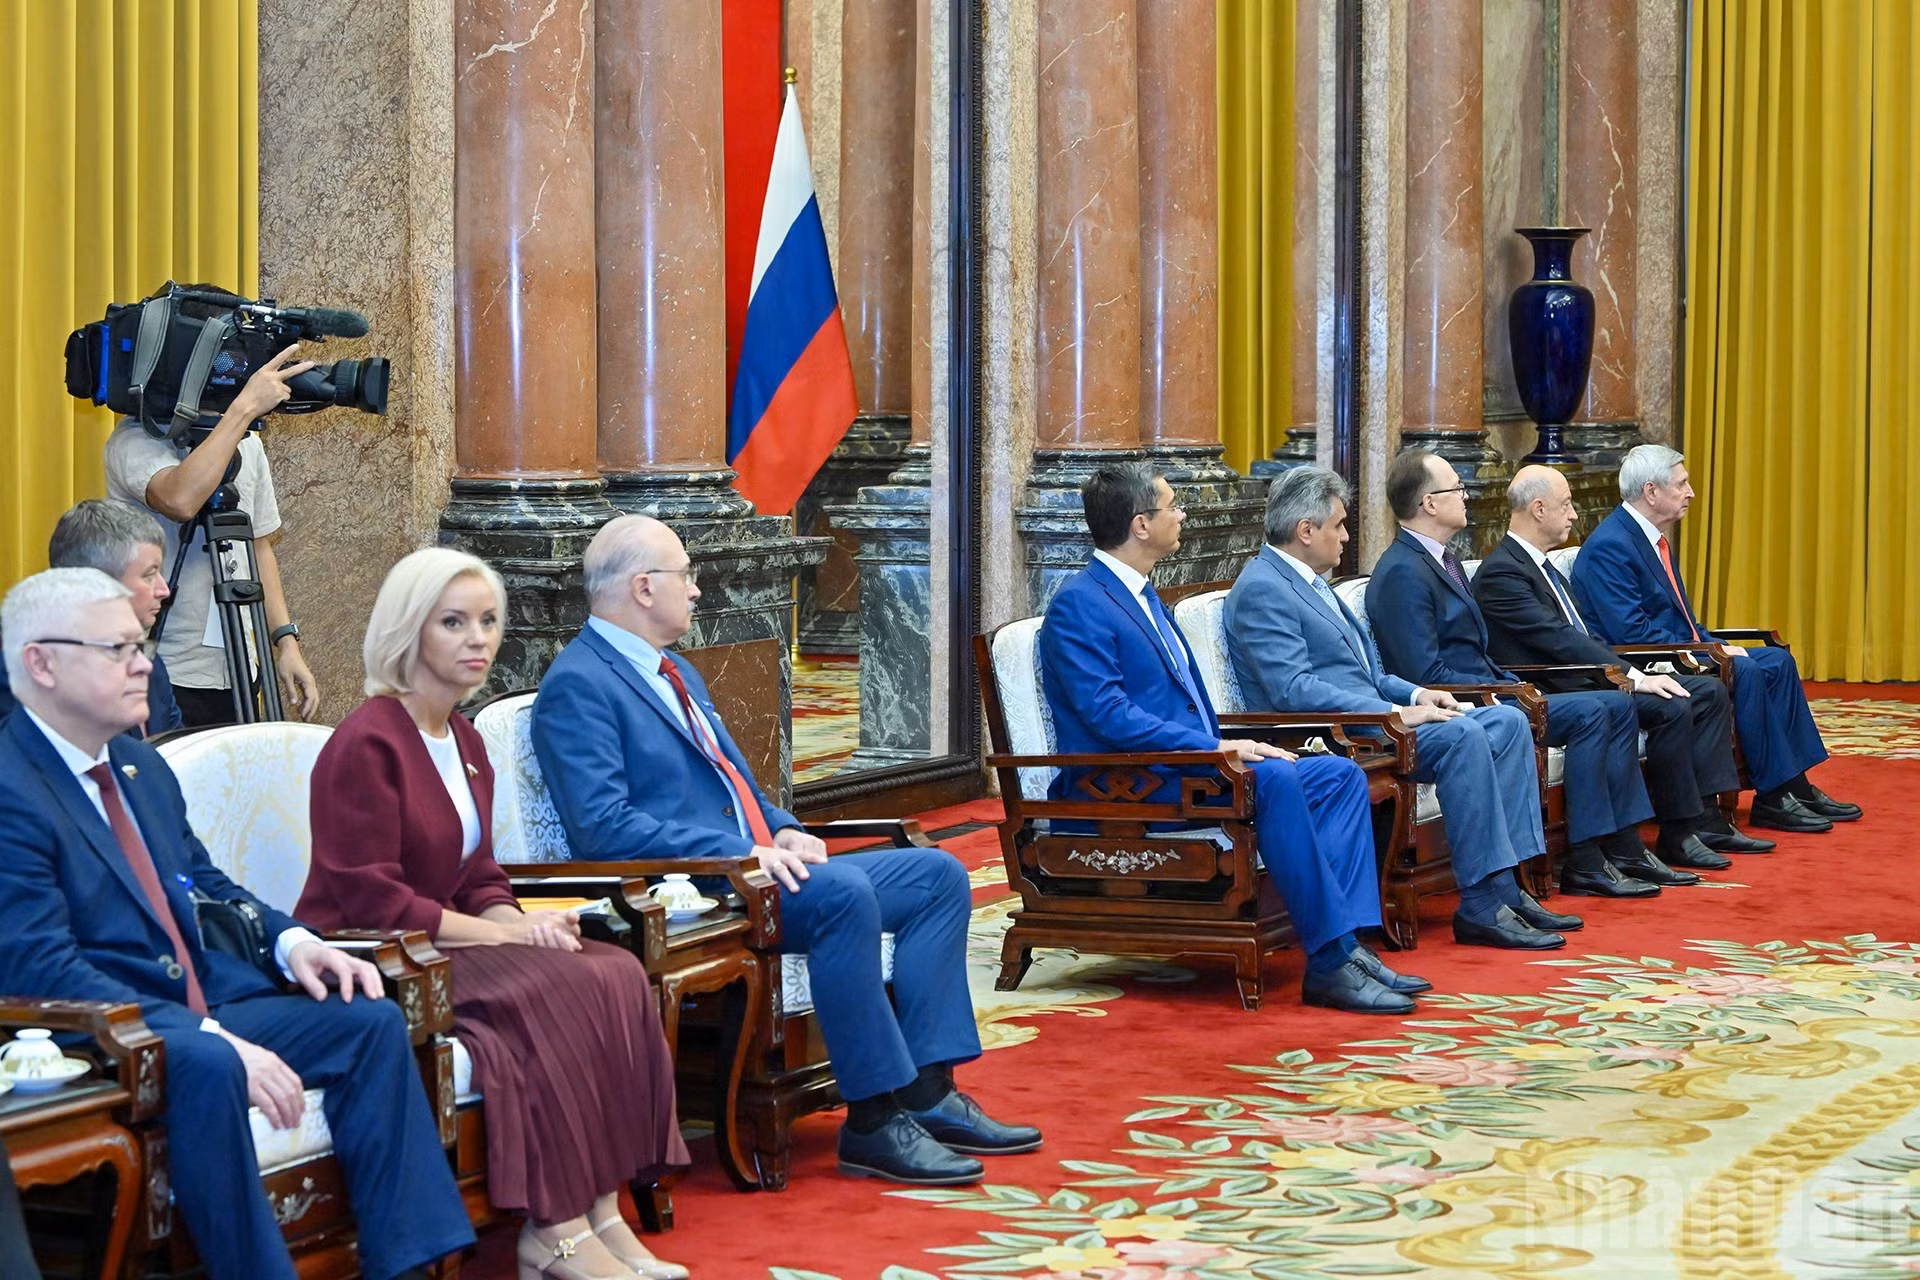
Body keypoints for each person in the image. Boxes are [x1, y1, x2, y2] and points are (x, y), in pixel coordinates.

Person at [532, 515, 1040, 1189]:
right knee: (842, 895)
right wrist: (740, 850)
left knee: (937, 876)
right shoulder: (579, 685)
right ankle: (872, 1121)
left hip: (757, 863)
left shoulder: (674, 669)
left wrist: (784, 827)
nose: (700, 590)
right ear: (645, 587)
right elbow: (604, 829)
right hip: (697, 887)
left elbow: (731, 781)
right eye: (688, 575)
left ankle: (928, 1091)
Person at [0, 568, 471, 1280]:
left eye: (143, 643)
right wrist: (206, 1032)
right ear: (41, 662)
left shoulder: (135, 765)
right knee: (212, 1063)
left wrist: (292, 941)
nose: (143, 664)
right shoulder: (11, 787)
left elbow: (203, 883)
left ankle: (407, 1263)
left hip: (202, 1001)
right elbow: (41, 965)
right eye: (118, 648)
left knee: (366, 1016)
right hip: (98, 1029)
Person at [296, 548, 690, 1280]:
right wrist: (507, 934)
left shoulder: (466, 738)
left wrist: (516, 919)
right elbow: (374, 898)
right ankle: (554, 1229)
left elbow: (476, 872)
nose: (478, 639)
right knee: (553, 984)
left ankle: (603, 1213)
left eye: (486, 622)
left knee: (609, 972)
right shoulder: (368, 741)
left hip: (447, 940)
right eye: (453, 623)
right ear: (408, 632)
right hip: (372, 954)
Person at [1040, 462, 1430, 1014]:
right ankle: (1329, 961)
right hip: (1127, 783)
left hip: (1185, 767)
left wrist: (1225, 744)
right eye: (1172, 506)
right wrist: (1215, 749)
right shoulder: (1080, 602)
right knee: (1272, 778)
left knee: (1339, 776)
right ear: (1140, 524)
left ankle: (1348, 946)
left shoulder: (1145, 594)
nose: (1182, 514)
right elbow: (1109, 716)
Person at [1223, 467, 1582, 941]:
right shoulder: (1263, 588)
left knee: (1507, 722)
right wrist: (1393, 713)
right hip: (1338, 733)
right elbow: (1294, 689)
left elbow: (1370, 674)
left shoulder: (1310, 581)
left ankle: (1508, 889)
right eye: (1339, 525)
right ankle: (1479, 906)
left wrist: (1414, 693)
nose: (1347, 536)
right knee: (1464, 735)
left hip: (1377, 717)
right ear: (1305, 531)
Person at [1365, 450, 1701, 915]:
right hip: (1462, 705)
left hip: (1493, 691)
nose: (1466, 495)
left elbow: (1477, 652)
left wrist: (1508, 684)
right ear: (1428, 503)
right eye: (1455, 489)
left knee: (1611, 703)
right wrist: (1506, 691)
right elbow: (1424, 674)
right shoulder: (1404, 571)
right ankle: (1581, 859)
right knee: (1595, 709)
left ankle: (1618, 846)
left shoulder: (1444, 560)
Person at [1474, 466, 1773, 862]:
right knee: (1669, 704)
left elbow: (1585, 635)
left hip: (1586, 679)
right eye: (1566, 505)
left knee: (1706, 692)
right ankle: (1665, 836)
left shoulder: (1543, 567)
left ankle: (1705, 821)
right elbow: (1559, 641)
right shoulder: (1503, 572)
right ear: (1539, 509)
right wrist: (1630, 677)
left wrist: (1635, 673)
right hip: (1557, 687)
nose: (1575, 515)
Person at [1570, 444, 1860, 834]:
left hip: (1683, 649)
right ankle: (1774, 797)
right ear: (1652, 492)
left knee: (1777, 661)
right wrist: (1710, 651)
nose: (1690, 492)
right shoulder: (1611, 545)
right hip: (1649, 663)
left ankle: (1796, 784)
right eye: (1682, 484)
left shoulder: (1652, 538)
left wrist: (1709, 642)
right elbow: (1631, 633)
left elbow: (1682, 619)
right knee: (1744, 669)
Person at [104, 333, 319, 726]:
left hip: (240, 661)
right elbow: (181, 499)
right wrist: (242, 410)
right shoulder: (138, 439)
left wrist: (286, 642)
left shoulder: (247, 444)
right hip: (170, 664)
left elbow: (258, 546)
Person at [0, 499, 182, 735]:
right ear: (97, 584)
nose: (164, 590)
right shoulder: (26, 675)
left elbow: (177, 753)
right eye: (150, 575)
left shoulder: (150, 664)